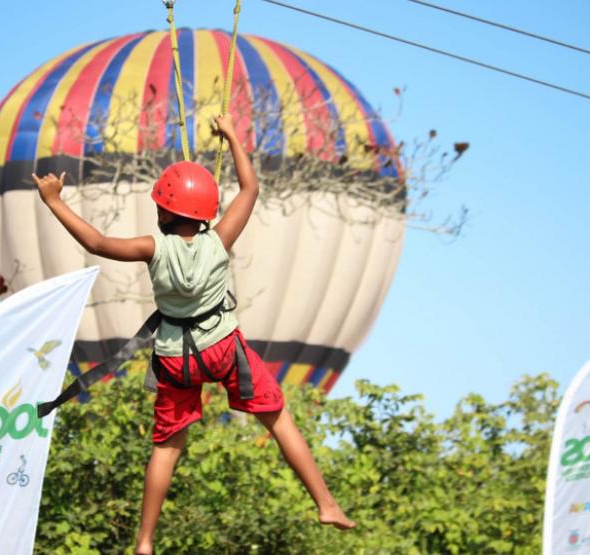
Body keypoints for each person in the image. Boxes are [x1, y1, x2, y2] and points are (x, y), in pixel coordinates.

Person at [32, 114, 355, 555]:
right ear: (204, 213)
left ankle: (144, 542)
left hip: (174, 358)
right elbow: (250, 190)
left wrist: (54, 201)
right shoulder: (219, 239)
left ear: (163, 210)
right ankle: (327, 503)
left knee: (167, 447)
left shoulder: (152, 248)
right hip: (224, 348)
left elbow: (98, 243)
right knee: (277, 418)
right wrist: (234, 137)